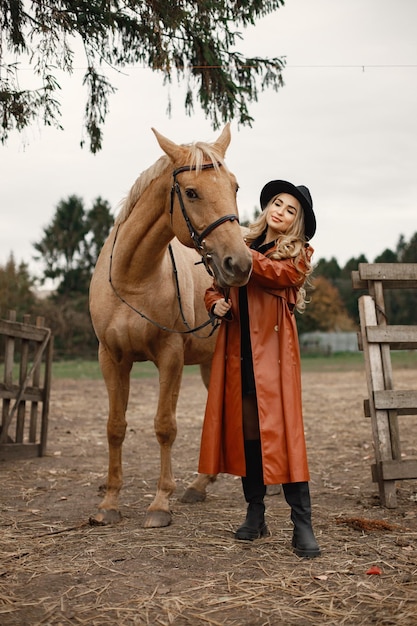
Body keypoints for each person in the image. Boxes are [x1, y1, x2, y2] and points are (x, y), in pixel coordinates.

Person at [198, 179, 320, 558]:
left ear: (296, 223)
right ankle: (256, 514)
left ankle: (302, 524)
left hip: (275, 358)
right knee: (249, 435)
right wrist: (215, 302)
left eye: (290, 210)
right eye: (277, 204)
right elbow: (216, 285)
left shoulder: (298, 254)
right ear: (267, 206)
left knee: (285, 437)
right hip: (239, 354)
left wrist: (241, 254)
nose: (280, 211)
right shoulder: (243, 246)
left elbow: (283, 277)